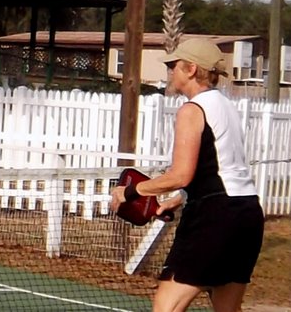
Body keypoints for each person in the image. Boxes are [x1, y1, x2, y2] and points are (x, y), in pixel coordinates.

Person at [109, 37, 264, 312]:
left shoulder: (192, 110)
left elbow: (180, 174)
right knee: (228, 309)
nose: (170, 72)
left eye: (174, 66)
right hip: (248, 215)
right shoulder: (227, 106)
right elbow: (219, 169)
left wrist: (130, 192)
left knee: (166, 307)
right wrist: (176, 201)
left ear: (191, 69)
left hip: (216, 217)